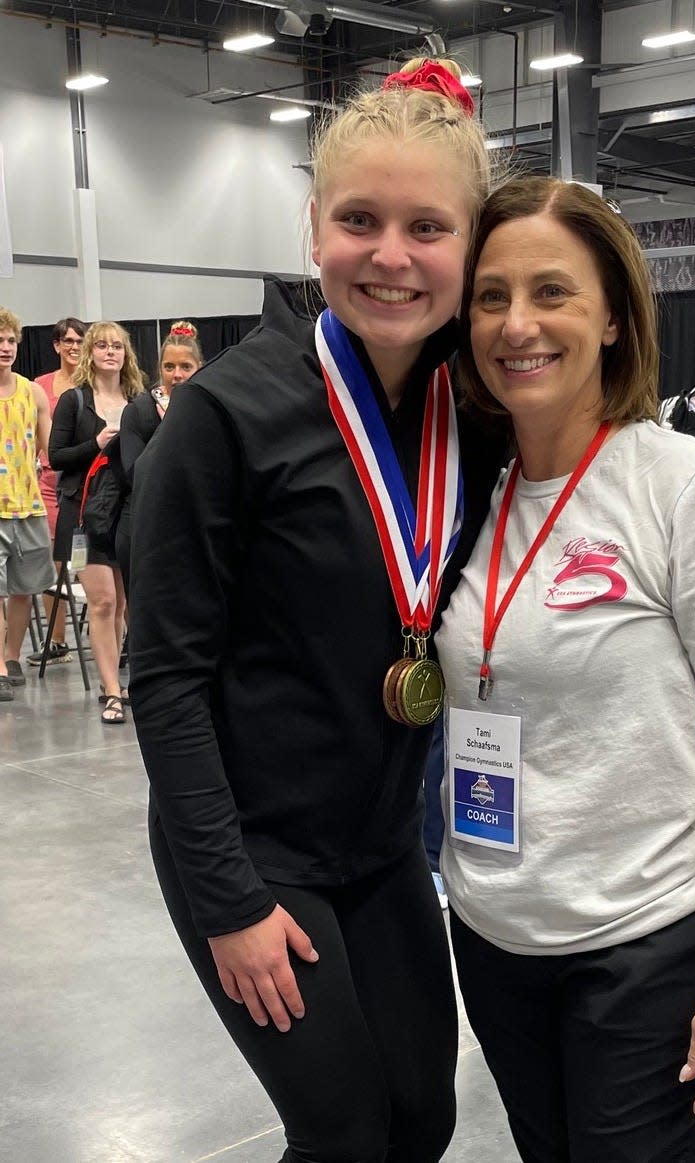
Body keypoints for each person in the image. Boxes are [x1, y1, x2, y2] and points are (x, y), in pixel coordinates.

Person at [129, 59, 501, 1163]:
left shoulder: (470, 413)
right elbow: (166, 677)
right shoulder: (224, 417)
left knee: (423, 1120)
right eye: (360, 220)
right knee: (341, 1132)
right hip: (252, 843)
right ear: (314, 229)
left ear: (470, 244)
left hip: (383, 844)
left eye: (427, 225)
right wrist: (228, 899)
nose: (391, 255)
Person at [435, 178, 695, 1163]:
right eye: (492, 296)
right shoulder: (466, 493)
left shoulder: (693, 490)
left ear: (610, 316)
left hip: (649, 943)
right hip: (497, 935)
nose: (519, 324)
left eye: (553, 291)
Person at [49, 321, 146, 723]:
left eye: (117, 346)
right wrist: (97, 444)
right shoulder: (74, 401)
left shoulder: (139, 400)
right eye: (102, 345)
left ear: (127, 354)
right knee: (103, 601)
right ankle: (111, 690)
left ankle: (121, 682)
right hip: (81, 517)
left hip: (127, 512)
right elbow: (57, 457)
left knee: (123, 602)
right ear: (89, 353)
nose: (110, 352)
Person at [115, 321, 203, 594]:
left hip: (194, 527)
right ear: (159, 369)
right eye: (169, 367)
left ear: (199, 367)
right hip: (144, 528)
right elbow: (135, 474)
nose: (177, 375)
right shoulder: (138, 412)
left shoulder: (210, 410)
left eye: (185, 367)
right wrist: (167, 431)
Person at [0, 307, 56, 702]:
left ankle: (12, 656)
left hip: (29, 504)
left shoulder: (33, 392)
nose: (5, 348)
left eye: (9, 340)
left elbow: (50, 448)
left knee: (24, 588)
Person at [27, 317, 87, 666]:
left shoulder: (93, 382)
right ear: (56, 346)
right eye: (68, 341)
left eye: (80, 341)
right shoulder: (41, 385)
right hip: (50, 481)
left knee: (96, 559)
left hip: (86, 480)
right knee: (56, 560)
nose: (74, 347)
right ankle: (58, 639)